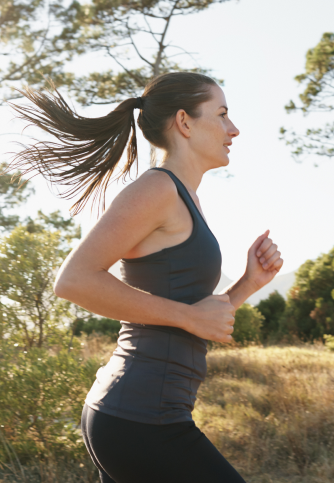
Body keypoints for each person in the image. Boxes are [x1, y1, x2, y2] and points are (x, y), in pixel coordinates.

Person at [5, 72, 283, 482]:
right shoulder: (157, 189)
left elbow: (194, 314)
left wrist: (248, 284)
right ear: (185, 122)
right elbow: (74, 280)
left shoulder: (185, 197)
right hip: (140, 419)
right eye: (222, 115)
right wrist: (187, 317)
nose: (234, 129)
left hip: (140, 416)